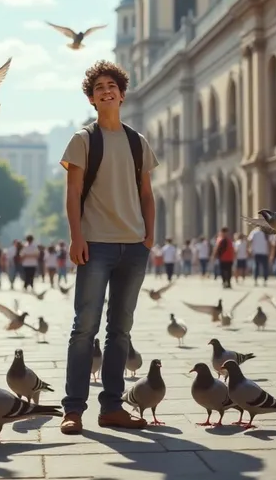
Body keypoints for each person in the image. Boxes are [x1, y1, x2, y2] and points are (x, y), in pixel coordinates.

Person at [59, 60, 158, 435]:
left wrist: (149, 236)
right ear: (92, 98)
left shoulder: (138, 141)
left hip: (133, 248)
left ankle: (112, 408)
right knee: (84, 328)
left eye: (112, 85)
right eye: (99, 86)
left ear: (122, 94)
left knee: (121, 330)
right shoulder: (83, 140)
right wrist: (76, 236)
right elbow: (71, 193)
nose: (106, 90)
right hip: (95, 245)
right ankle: (73, 409)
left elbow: (147, 194)